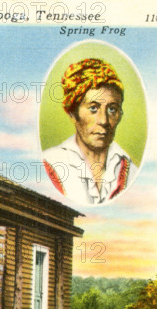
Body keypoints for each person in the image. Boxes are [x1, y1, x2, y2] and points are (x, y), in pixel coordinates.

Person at [42, 58, 137, 205]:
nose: (104, 121)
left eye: (112, 109)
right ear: (73, 114)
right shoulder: (53, 163)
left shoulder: (130, 171)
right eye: (93, 108)